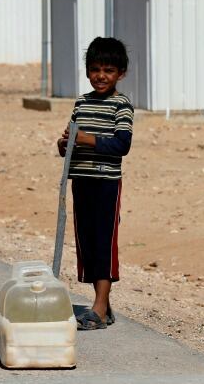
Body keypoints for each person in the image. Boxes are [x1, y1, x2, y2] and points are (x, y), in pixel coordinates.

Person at [57, 37, 133, 330]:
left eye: (109, 70)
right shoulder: (82, 102)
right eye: (95, 69)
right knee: (87, 243)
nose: (101, 76)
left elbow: (121, 145)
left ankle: (99, 309)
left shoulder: (121, 105)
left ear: (121, 73)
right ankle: (103, 304)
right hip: (82, 181)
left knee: (103, 242)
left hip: (106, 184)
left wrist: (86, 139)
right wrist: (65, 144)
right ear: (87, 70)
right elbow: (72, 141)